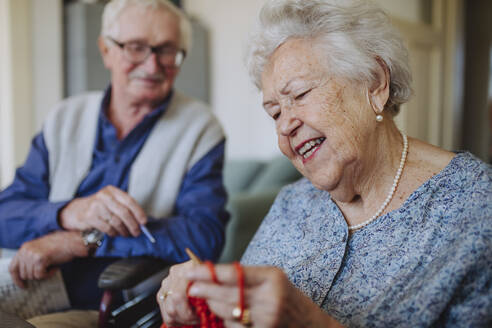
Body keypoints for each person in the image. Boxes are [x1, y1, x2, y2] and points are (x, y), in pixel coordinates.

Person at [157, 0, 492, 327]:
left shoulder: (476, 206)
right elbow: (243, 317)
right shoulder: (291, 203)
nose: (285, 124)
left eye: (300, 95)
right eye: (274, 112)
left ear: (374, 83)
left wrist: (310, 322)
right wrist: (208, 304)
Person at [0, 0, 229, 324]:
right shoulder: (66, 116)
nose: (152, 66)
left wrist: (85, 241)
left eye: (166, 51)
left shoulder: (200, 128)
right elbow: (5, 214)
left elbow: (204, 238)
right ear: (106, 50)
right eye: (135, 47)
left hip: (111, 305)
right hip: (23, 284)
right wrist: (68, 213)